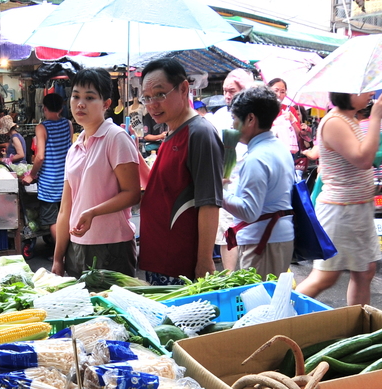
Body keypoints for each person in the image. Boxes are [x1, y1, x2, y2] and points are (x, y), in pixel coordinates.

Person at [295, 91, 382, 306]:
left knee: (364, 271)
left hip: (357, 208)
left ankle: (358, 326)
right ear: (345, 93)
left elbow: (363, 157)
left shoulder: (350, 119)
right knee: (325, 276)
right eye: (362, 90)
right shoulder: (334, 122)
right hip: (340, 210)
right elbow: (362, 159)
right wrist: (376, 118)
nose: (370, 93)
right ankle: (278, 314)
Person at [138, 57, 224, 283]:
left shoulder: (200, 133)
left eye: (159, 94)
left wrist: (204, 259)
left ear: (184, 88)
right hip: (160, 259)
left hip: (180, 264)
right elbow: (162, 189)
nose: (152, 104)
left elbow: (209, 202)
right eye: (146, 98)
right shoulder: (170, 134)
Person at [52, 68, 141, 277]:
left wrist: (93, 212)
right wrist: (57, 258)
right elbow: (66, 209)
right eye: (75, 96)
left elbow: (132, 193)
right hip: (76, 247)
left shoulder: (116, 138)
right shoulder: (74, 147)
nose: (80, 104)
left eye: (90, 98)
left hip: (112, 246)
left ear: (106, 104)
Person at [222, 87, 296, 275]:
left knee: (259, 302)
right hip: (275, 238)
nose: (232, 125)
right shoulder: (279, 147)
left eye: (235, 118)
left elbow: (249, 212)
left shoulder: (257, 158)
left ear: (250, 119)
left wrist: (218, 193)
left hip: (262, 243)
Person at [24, 93, 71, 248]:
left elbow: (40, 157)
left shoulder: (42, 127)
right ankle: (70, 252)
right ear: (61, 107)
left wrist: (31, 175)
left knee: (52, 220)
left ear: (44, 108)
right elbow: (69, 151)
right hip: (66, 179)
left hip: (50, 182)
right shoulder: (68, 124)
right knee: (66, 216)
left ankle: (62, 255)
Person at [209, 68, 252, 132]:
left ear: (245, 92)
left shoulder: (255, 117)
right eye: (225, 91)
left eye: (232, 91)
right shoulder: (219, 116)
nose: (227, 96)